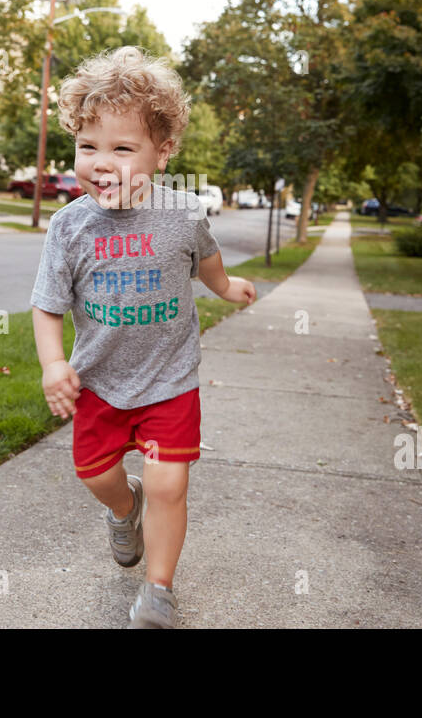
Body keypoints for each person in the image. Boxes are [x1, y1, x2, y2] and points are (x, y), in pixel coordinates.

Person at [30, 46, 256, 628]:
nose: (101, 163)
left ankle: (158, 589)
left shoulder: (183, 214)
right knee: (98, 477)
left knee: (169, 481)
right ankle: (122, 509)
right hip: (100, 384)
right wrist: (55, 365)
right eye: (88, 147)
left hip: (169, 381)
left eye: (123, 148)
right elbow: (47, 305)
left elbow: (206, 263)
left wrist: (227, 290)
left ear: (163, 151)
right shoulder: (69, 226)